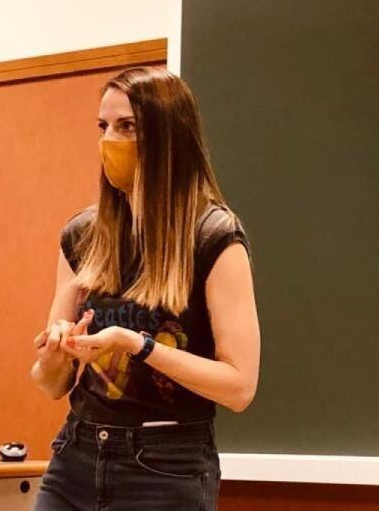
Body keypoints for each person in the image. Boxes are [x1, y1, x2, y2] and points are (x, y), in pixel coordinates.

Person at [29, 66, 260, 511]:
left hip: (165, 467)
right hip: (76, 455)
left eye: (127, 126)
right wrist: (54, 354)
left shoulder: (213, 237)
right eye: (104, 127)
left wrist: (136, 344)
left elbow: (239, 387)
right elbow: (49, 383)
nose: (110, 140)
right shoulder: (83, 235)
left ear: (168, 137)